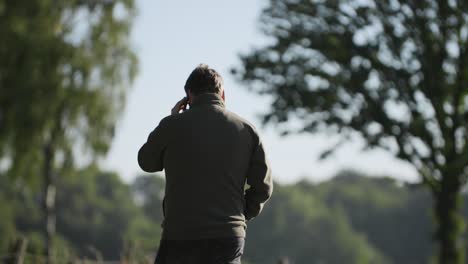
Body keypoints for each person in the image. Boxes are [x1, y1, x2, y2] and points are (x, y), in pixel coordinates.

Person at [138, 64, 273, 264]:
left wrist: (171, 121)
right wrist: (240, 214)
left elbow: (147, 162)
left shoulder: (172, 126)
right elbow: (263, 187)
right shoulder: (247, 130)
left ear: (188, 96)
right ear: (223, 95)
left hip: (180, 235)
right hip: (228, 236)